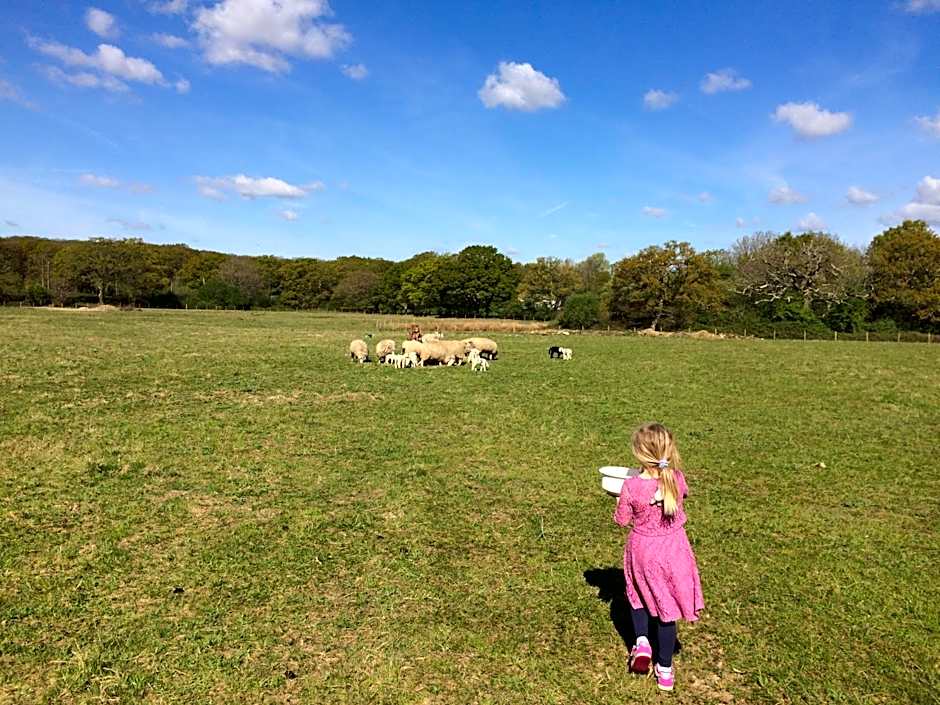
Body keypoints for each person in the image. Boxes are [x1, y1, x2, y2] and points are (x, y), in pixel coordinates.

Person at [613, 422, 704, 692]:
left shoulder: (631, 486)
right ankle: (665, 670)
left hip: (643, 550)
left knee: (638, 595)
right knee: (667, 610)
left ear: (639, 454)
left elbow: (622, 520)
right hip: (673, 550)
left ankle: (642, 642)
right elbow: (682, 494)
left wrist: (618, 502)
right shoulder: (676, 478)